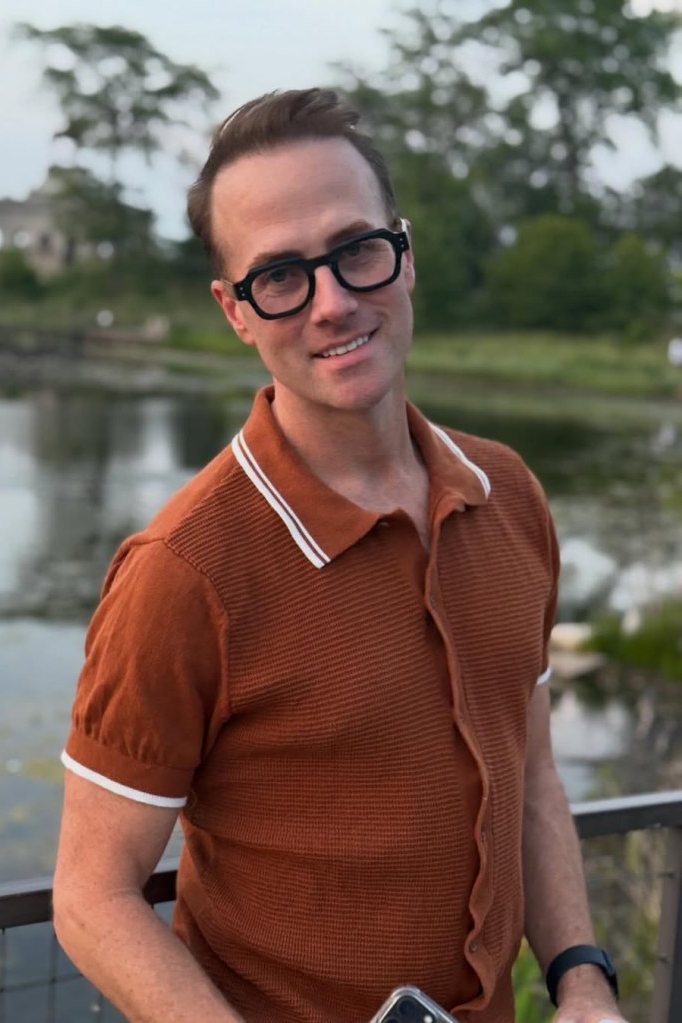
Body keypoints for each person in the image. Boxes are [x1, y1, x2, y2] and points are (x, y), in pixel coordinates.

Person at [53, 88, 626, 1023]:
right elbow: (92, 895)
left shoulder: (508, 495)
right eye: (280, 275)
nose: (331, 303)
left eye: (356, 249)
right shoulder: (181, 572)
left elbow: (530, 780)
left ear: (405, 253)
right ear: (234, 311)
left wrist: (580, 978)